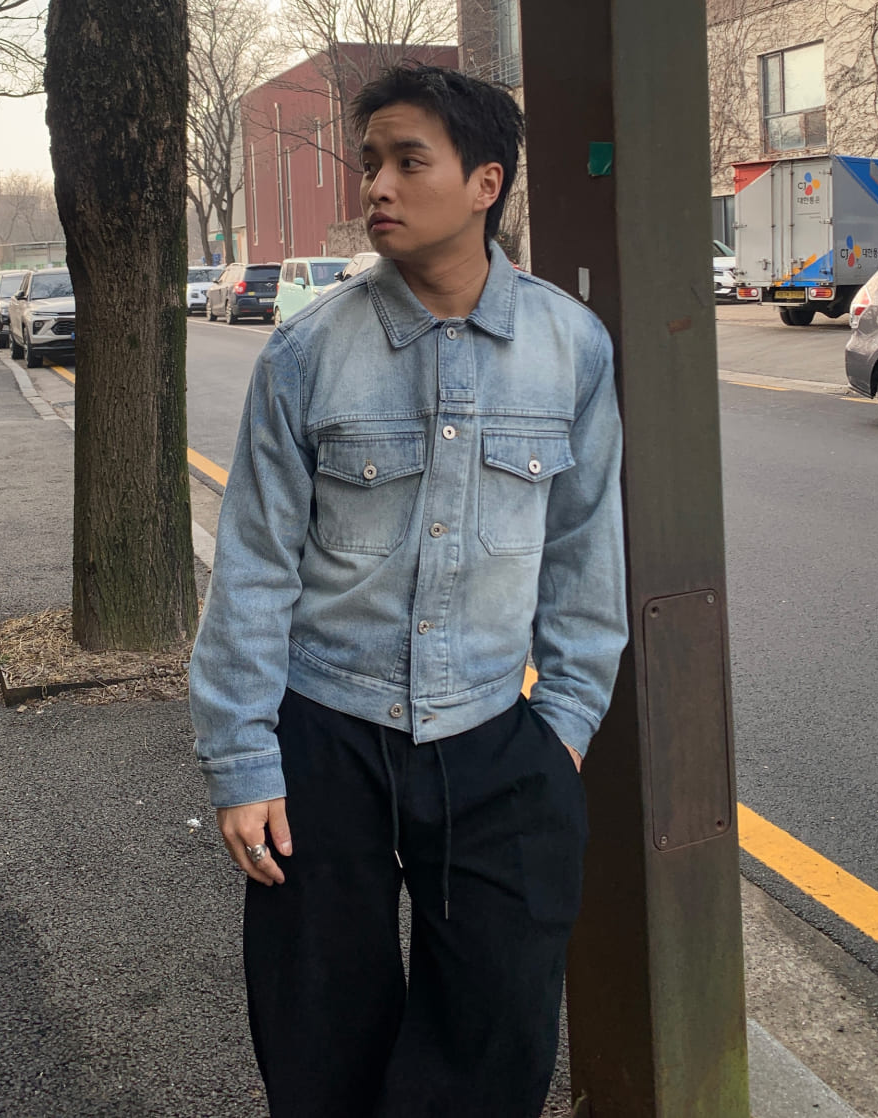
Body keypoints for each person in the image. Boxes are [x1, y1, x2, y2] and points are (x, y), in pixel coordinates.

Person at [188, 63, 628, 1118]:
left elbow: (584, 551)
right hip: (326, 730)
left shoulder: (569, 346)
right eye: (370, 161)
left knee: (496, 1028)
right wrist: (244, 757)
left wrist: (563, 727)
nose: (376, 185)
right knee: (318, 1031)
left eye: (407, 161)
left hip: (496, 735)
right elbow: (253, 563)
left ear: (485, 183)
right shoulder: (307, 351)